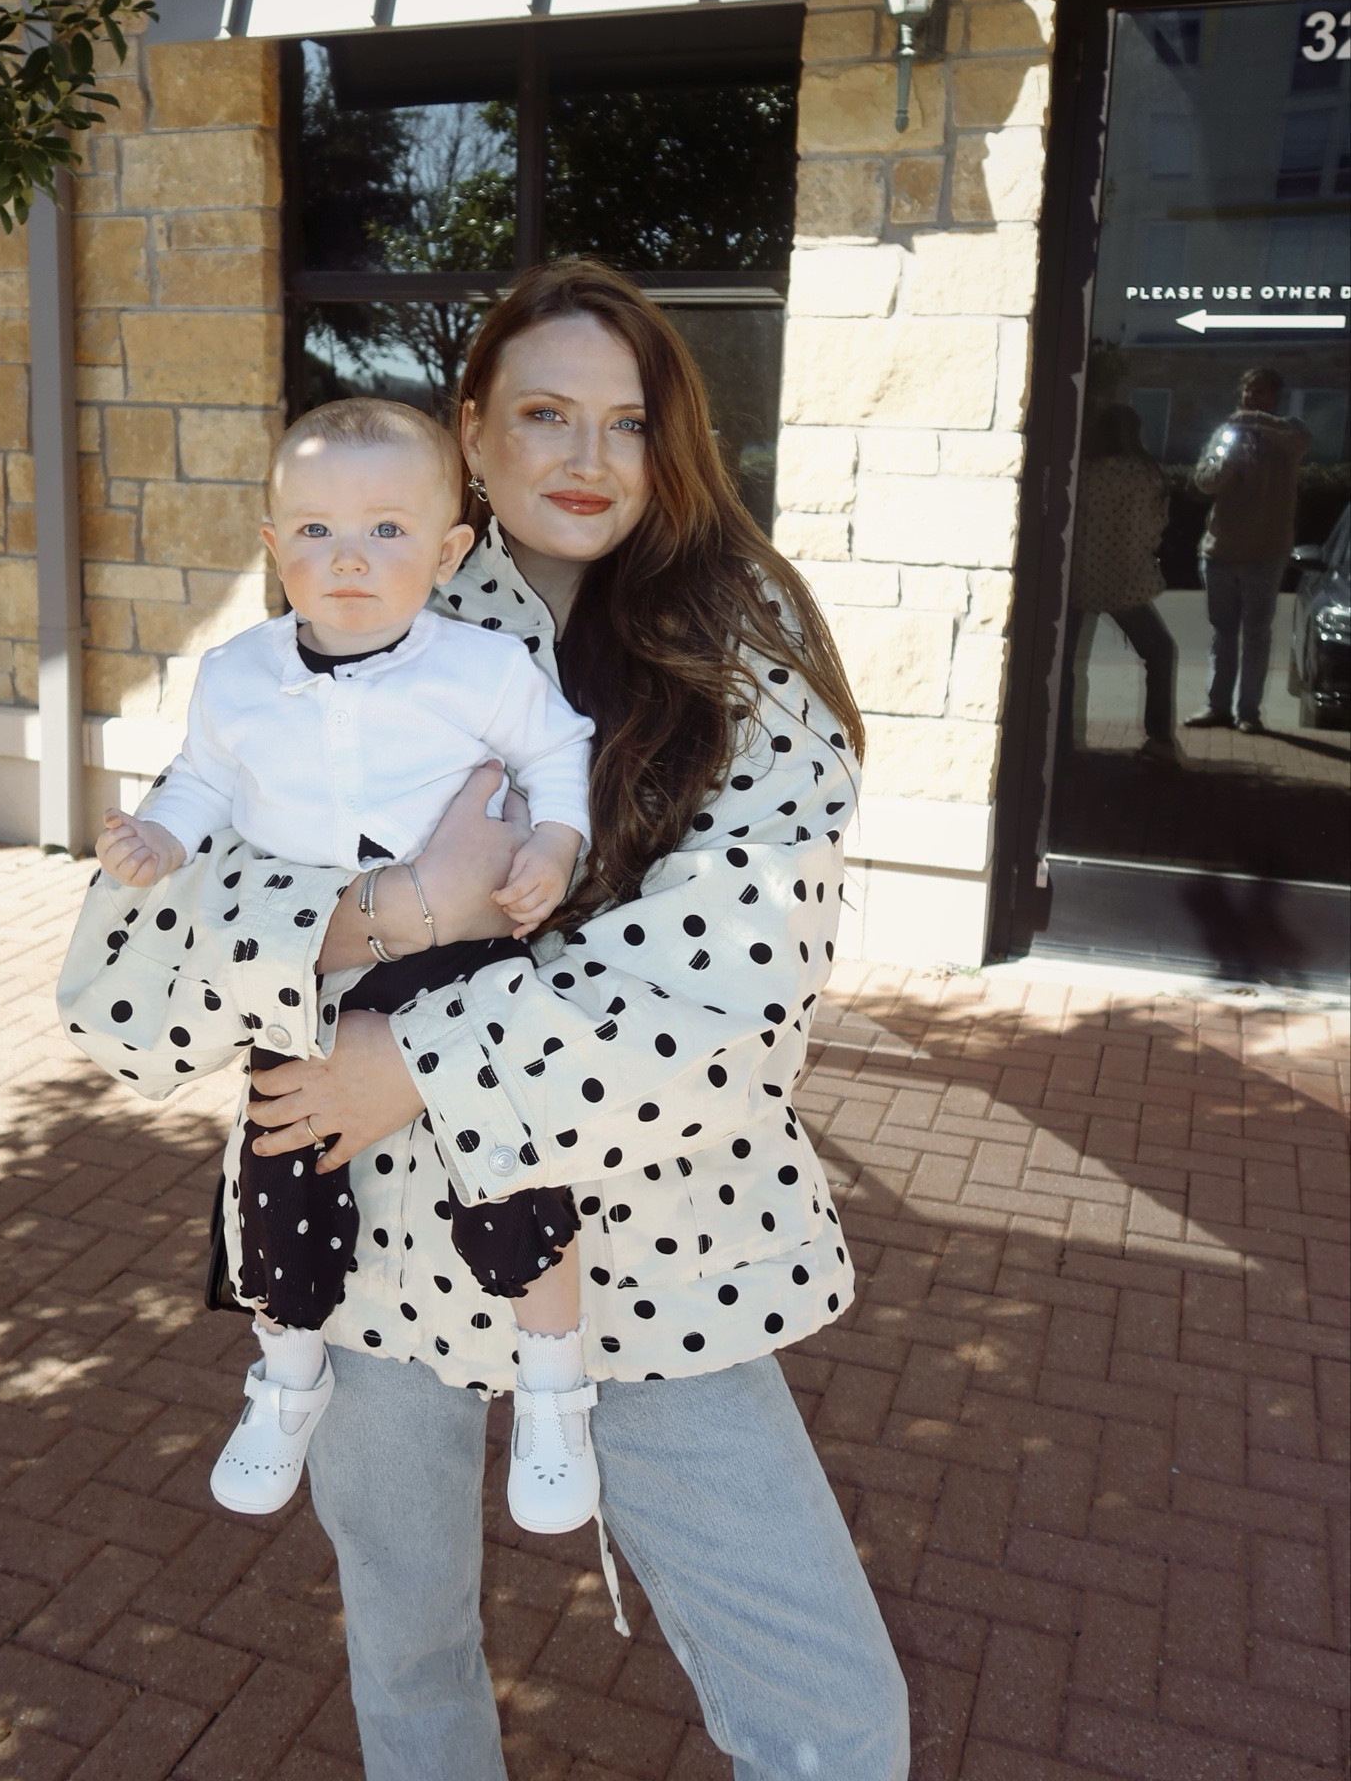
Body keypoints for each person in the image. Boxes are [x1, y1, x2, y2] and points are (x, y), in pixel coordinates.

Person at [200, 261, 907, 1779]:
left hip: (651, 1231)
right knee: (404, 1642)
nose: (587, 461)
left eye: (627, 423)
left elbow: (734, 981)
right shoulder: (357, 602)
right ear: (470, 430)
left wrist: (412, 1060)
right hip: (366, 1233)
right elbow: (155, 940)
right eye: (541, 415)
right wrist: (387, 916)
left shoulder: (743, 635)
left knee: (831, 1714)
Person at [93, 399, 601, 1534]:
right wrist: (161, 837)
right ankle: (285, 1373)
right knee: (276, 1168)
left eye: (384, 529)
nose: (349, 558)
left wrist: (556, 842)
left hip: (464, 960)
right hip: (310, 964)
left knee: (510, 1156)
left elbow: (559, 747)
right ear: (275, 550)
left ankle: (556, 1381)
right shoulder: (237, 673)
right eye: (315, 532)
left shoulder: (482, 666)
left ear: (446, 549)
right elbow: (203, 782)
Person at [1185, 366, 1309, 733]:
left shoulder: (1289, 433)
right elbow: (1205, 481)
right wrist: (1229, 457)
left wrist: (1255, 423)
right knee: (1223, 633)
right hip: (1220, 551)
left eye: (1261, 392)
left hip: (1265, 553)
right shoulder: (1226, 434)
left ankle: (1248, 712)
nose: (1252, 399)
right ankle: (1216, 706)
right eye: (1247, 392)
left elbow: (1298, 441)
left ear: (1274, 397)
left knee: (1256, 633)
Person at [1062, 401, 1177, 762]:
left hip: (1077, 577)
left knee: (1060, 663)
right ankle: (1159, 740)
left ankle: (1058, 741)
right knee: (1159, 651)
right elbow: (1155, 529)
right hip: (1125, 580)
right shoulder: (1146, 475)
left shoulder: (1081, 472)